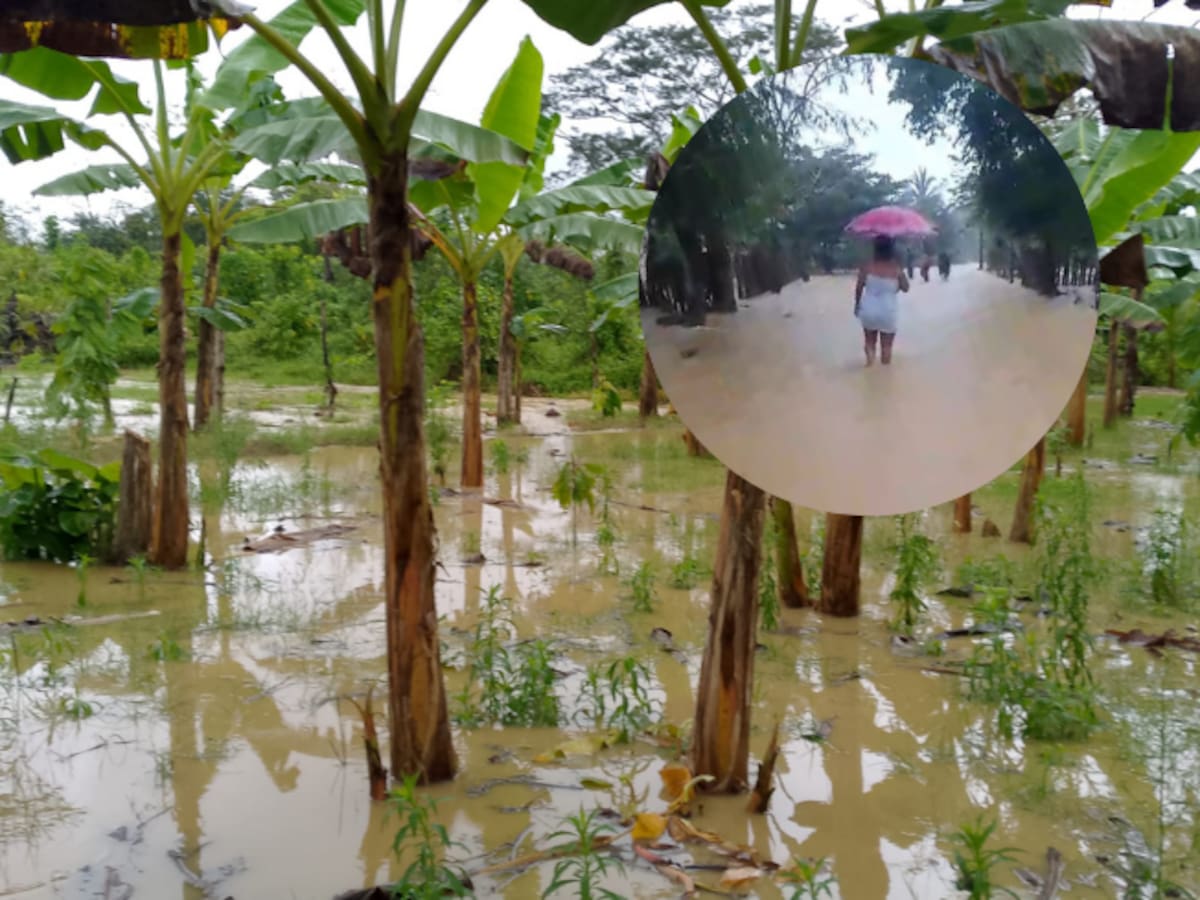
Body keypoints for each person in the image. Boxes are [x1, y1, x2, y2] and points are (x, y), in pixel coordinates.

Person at [854, 235, 909, 366]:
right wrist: (895, 285)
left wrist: (857, 305)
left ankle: (870, 366)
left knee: (869, 342)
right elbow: (906, 288)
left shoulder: (867, 267)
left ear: (875, 249)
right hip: (888, 311)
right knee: (886, 347)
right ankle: (884, 373)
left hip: (868, 309)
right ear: (891, 250)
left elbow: (859, 288)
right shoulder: (896, 268)